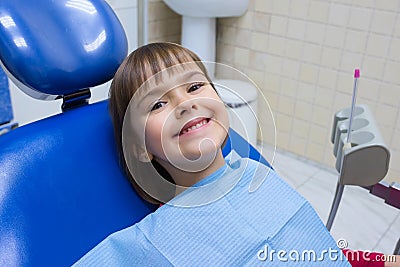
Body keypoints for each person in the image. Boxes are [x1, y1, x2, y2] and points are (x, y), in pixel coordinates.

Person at [73, 42, 398, 266]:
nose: (184, 104)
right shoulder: (152, 242)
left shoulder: (257, 176)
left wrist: (379, 261)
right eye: (158, 104)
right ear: (140, 149)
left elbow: (311, 252)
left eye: (195, 86)